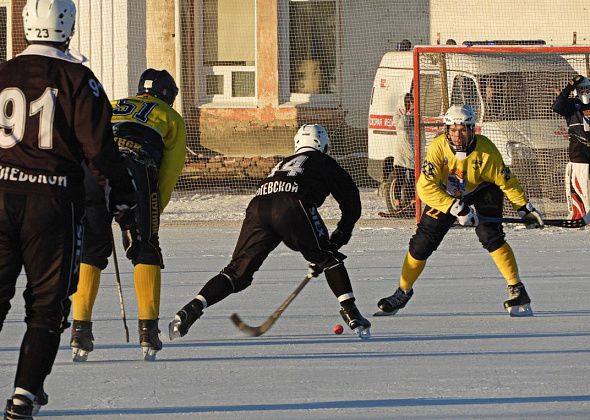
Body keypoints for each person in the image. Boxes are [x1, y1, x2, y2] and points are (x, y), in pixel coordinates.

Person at [0, 0, 136, 418]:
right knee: (47, 303)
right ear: (68, 26)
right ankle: (25, 393)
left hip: (0, 197)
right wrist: (124, 197)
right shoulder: (79, 77)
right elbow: (99, 149)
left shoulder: (3, 72)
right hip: (52, 202)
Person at [168, 124, 371, 340]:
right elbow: (351, 200)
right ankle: (352, 314)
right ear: (324, 145)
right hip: (292, 205)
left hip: (258, 207)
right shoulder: (324, 161)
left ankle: (194, 307)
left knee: (237, 273)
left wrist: (314, 246)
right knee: (328, 259)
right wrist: (340, 234)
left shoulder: (282, 163)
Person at [376, 104, 543, 318]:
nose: (458, 135)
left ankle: (517, 289)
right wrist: (456, 208)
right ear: (446, 130)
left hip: (482, 188)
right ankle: (402, 291)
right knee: (422, 243)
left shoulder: (487, 151)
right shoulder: (438, 148)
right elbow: (424, 187)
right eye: (453, 129)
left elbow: (507, 183)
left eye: (463, 129)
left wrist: (524, 208)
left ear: (472, 129)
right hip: (447, 194)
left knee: (490, 235)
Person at [70, 69, 187, 362]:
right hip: (135, 167)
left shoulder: (116, 104)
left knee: (90, 251)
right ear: (168, 96)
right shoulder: (171, 118)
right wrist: (152, 212)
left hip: (92, 172)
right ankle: (148, 330)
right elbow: (169, 173)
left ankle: (80, 329)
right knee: (145, 247)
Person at [552, 74, 590, 219]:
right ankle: (580, 211)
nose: (585, 92)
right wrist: (569, 87)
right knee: (580, 178)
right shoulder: (571, 104)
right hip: (578, 147)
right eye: (582, 89)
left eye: (587, 89)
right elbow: (556, 107)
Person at [390, 92, 416, 212]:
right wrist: (407, 114)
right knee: (399, 178)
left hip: (412, 152)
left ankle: (411, 203)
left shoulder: (416, 115)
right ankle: (397, 202)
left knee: (412, 179)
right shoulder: (398, 115)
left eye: (412, 102)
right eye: (407, 102)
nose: (410, 104)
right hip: (401, 152)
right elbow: (402, 126)